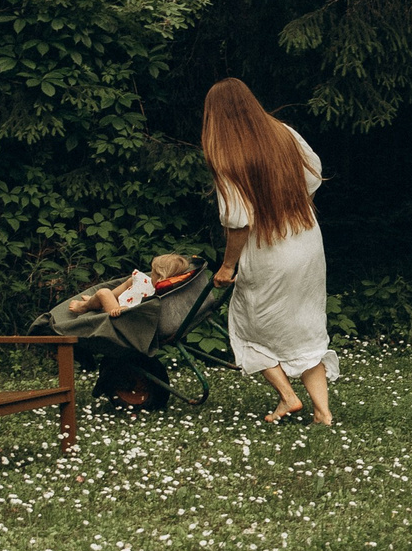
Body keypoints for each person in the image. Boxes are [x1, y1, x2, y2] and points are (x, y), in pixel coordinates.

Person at [202, 78, 336, 424]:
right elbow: (314, 175)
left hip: (269, 254)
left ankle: (289, 397)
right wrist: (290, 207)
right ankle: (323, 412)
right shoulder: (283, 133)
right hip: (306, 243)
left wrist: (227, 267)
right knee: (304, 325)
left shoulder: (228, 156)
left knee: (249, 327)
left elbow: (238, 222)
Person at [63, 253, 198, 321]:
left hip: (125, 317)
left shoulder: (159, 294)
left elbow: (142, 308)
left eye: (153, 273)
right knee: (133, 280)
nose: (151, 275)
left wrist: (123, 309)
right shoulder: (167, 287)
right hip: (125, 304)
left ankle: (85, 306)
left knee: (104, 292)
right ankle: (97, 301)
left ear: (161, 278)